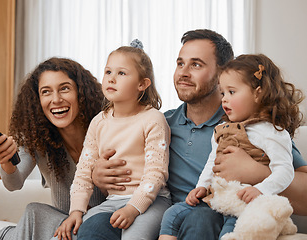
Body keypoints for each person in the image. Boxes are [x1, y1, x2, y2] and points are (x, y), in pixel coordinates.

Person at [79, 29, 307, 239]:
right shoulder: (159, 123)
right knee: (94, 227)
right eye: (180, 63)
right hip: (161, 215)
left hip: (214, 214)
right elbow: (127, 179)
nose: (183, 73)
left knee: (199, 217)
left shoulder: (248, 125)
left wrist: (256, 172)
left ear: (222, 73)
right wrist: (98, 176)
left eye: (196, 65)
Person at [159, 53, 304, 239]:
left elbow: (285, 171)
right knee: (172, 214)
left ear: (258, 93)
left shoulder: (273, 132)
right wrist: (201, 186)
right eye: (223, 93)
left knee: (231, 226)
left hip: (246, 201)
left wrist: (260, 183)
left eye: (231, 92)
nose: (224, 99)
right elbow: (212, 162)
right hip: (217, 198)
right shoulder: (219, 129)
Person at [54, 39, 171, 240]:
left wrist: (133, 208)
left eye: (121, 73)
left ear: (142, 84)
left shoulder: (153, 119)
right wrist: (76, 211)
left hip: (152, 201)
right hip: (112, 201)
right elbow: (83, 172)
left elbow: (156, 173)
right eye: (108, 72)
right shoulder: (98, 122)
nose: (111, 79)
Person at [0, 57, 106, 240]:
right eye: (46, 92)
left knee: (35, 213)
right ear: (37, 100)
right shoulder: (38, 138)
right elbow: (14, 183)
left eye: (64, 88)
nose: (56, 99)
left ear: (81, 93)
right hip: (62, 227)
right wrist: (6, 160)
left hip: (99, 225)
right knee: (34, 212)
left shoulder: (107, 129)